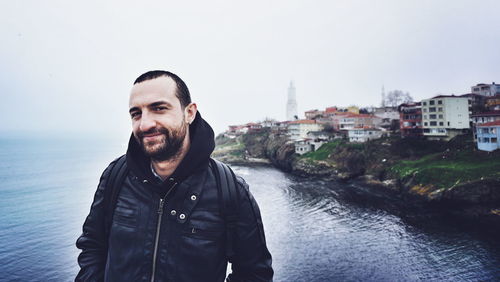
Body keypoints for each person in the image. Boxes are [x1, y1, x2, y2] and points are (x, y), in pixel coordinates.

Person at [76, 70, 273, 282]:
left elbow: (254, 274)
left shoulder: (230, 189)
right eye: (136, 114)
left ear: (189, 113)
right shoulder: (116, 176)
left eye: (159, 109)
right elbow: (93, 246)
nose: (145, 124)